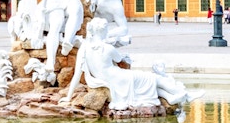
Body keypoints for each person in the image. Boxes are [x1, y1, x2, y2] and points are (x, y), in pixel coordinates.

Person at [60, 17, 203, 110]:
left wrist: (68, 96)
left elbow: (77, 75)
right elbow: (119, 60)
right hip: (118, 78)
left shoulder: (84, 47)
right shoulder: (108, 48)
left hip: (107, 80)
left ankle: (172, 97)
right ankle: (183, 93)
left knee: (145, 85)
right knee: (152, 78)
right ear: (103, 31)